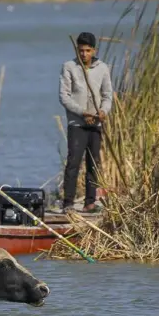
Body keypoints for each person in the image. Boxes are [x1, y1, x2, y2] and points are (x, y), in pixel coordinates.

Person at [58, 32, 113, 214]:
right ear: (77, 50)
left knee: (93, 163)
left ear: (94, 50)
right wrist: (83, 113)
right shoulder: (69, 67)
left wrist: (103, 111)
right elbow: (64, 97)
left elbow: (107, 95)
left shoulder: (102, 68)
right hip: (77, 123)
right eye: (81, 51)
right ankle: (68, 203)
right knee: (73, 162)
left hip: (95, 124)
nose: (84, 54)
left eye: (88, 51)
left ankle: (90, 202)